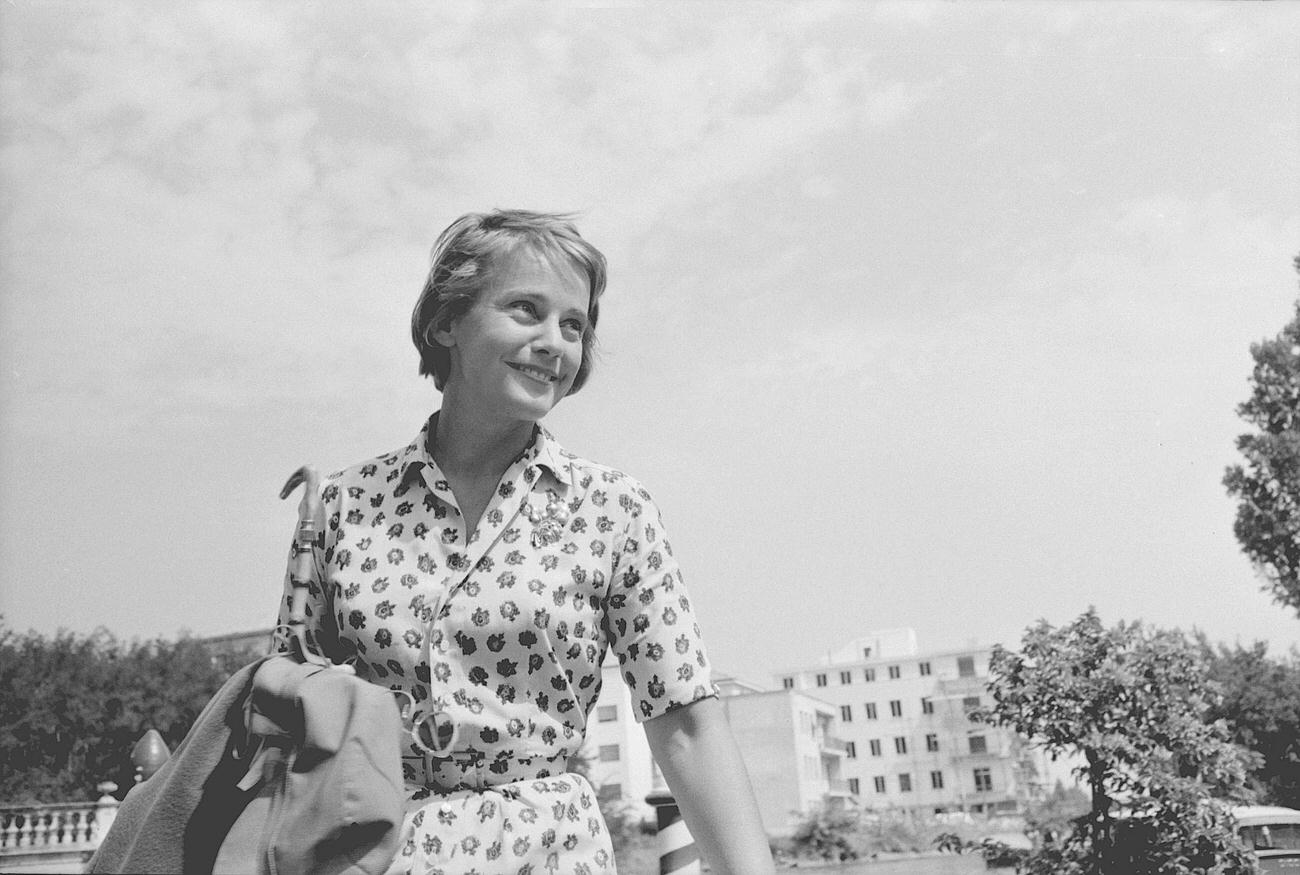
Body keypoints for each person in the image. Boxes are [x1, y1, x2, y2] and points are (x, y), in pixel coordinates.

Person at [276, 209, 775, 875]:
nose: (555, 342)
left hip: (550, 853)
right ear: (446, 322)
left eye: (574, 325)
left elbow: (684, 724)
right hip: (373, 855)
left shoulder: (613, 508)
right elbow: (285, 718)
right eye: (526, 310)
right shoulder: (343, 504)